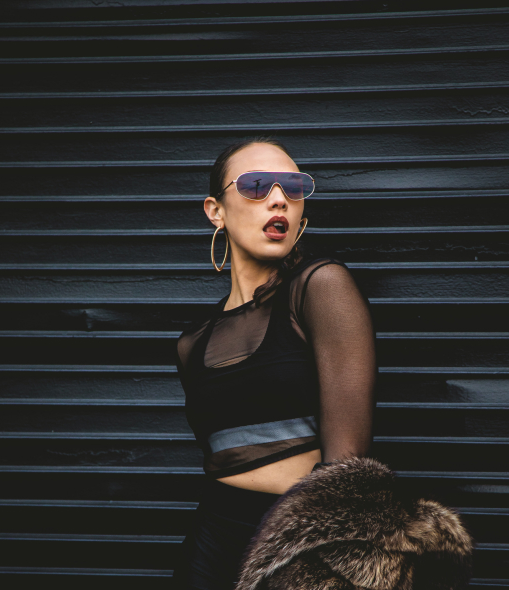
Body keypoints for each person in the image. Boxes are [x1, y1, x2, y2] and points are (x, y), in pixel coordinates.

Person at [172, 137, 377, 590]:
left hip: (298, 545)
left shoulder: (321, 287)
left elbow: (347, 466)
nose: (280, 198)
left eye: (293, 187)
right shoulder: (193, 343)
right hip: (211, 544)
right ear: (215, 210)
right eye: (257, 185)